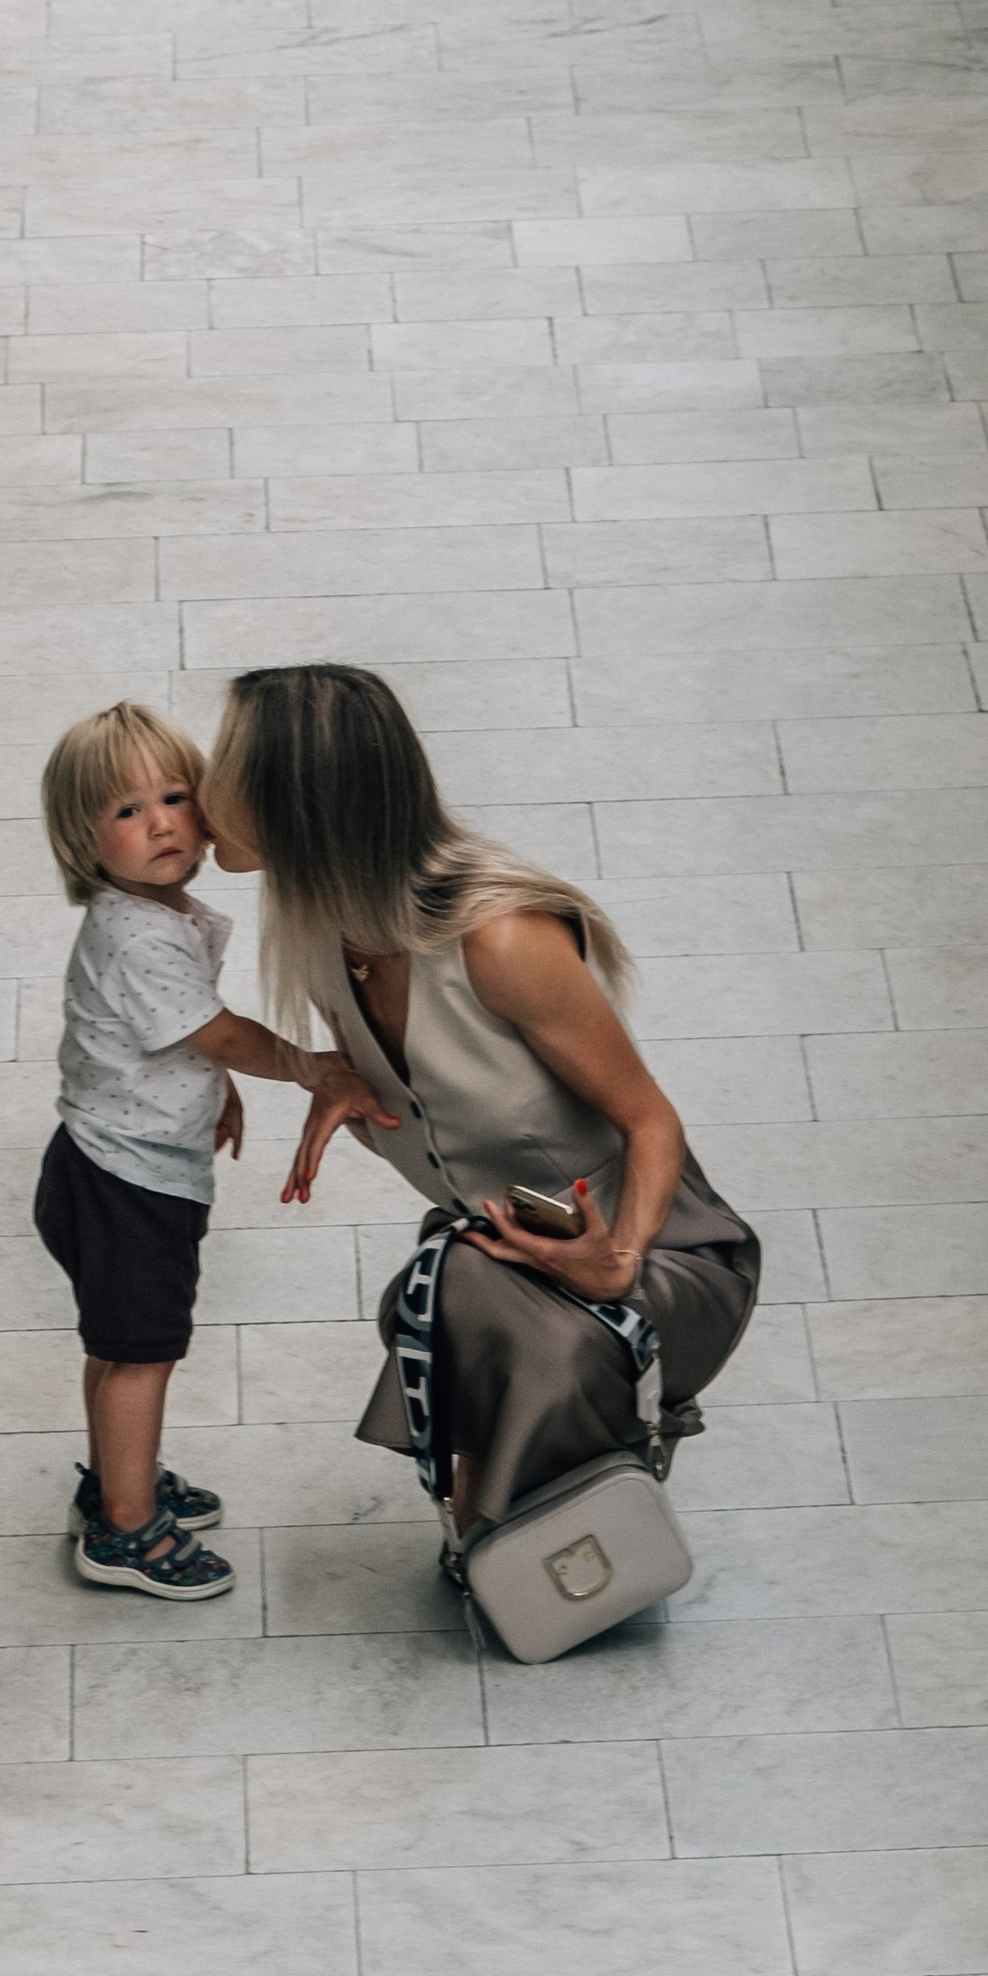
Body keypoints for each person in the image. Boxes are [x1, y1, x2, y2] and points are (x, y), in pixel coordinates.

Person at [199, 662, 760, 1556]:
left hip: (659, 1253)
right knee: (439, 1296)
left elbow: (651, 1120)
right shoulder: (320, 918)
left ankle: (579, 1453)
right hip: (509, 1242)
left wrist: (616, 1261)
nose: (200, 788)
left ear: (298, 802)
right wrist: (330, 1074)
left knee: (455, 1299)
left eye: (222, 765)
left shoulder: (498, 940)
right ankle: (533, 1497)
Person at [33, 700, 392, 1599]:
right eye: (125, 810)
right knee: (144, 1352)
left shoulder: (159, 913)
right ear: (84, 841)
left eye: (174, 796)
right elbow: (218, 1031)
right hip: (129, 1183)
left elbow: (165, 1036)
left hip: (101, 1160)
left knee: (119, 1346)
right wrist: (310, 1066)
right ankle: (124, 1529)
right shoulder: (138, 932)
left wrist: (213, 1090)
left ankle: (115, 1482)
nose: (158, 822)